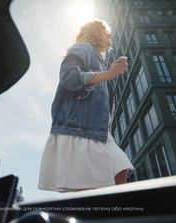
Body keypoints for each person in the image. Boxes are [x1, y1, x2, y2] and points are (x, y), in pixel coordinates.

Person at [38, 19, 134, 192]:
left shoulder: (99, 61)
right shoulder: (83, 48)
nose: (110, 34)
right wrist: (108, 74)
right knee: (89, 185)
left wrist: (108, 73)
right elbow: (69, 77)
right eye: (106, 30)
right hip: (80, 128)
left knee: (120, 168)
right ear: (95, 32)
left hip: (98, 132)